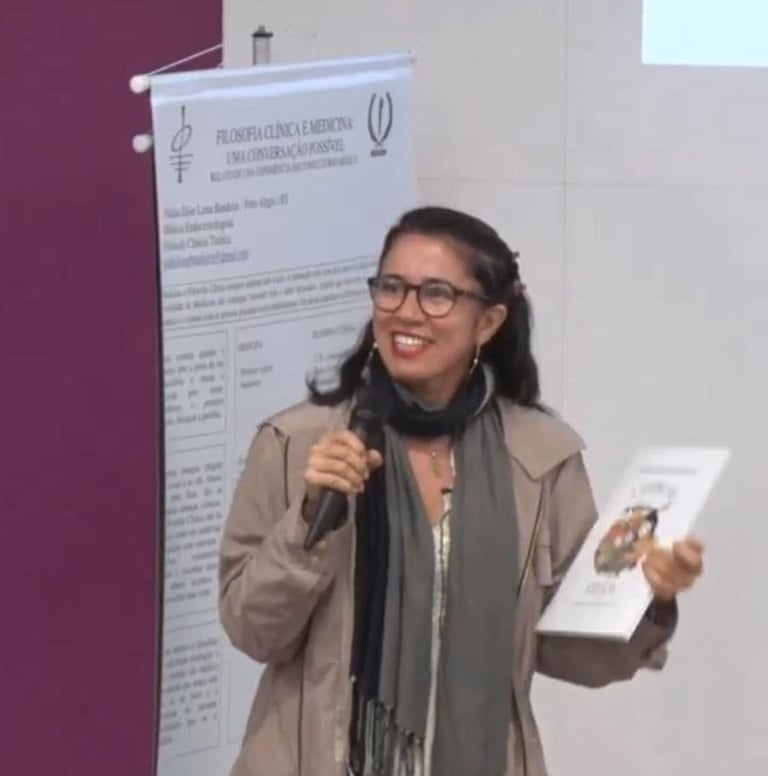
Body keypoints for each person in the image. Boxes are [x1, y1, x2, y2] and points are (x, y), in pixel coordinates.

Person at [219, 206, 705, 776]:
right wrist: (309, 518)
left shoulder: (539, 459)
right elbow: (254, 630)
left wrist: (649, 597)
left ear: (489, 321)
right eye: (392, 287)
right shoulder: (296, 445)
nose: (406, 311)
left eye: (437, 294)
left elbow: (569, 649)